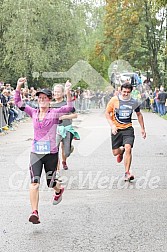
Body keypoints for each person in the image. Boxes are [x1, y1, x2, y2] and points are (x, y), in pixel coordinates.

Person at [14, 77, 74, 224]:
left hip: (51, 154)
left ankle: (59, 190)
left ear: (49, 100)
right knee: (34, 182)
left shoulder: (54, 113)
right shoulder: (33, 112)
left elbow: (70, 107)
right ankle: (34, 212)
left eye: (44, 98)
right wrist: (18, 87)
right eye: (39, 98)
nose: (41, 100)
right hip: (36, 153)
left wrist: (67, 92)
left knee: (51, 182)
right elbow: (18, 103)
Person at [105, 82, 146, 181]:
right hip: (117, 129)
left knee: (128, 148)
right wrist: (112, 125)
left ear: (131, 92)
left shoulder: (133, 102)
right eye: (124, 92)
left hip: (128, 128)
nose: (126, 94)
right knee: (115, 152)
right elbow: (107, 113)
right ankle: (121, 150)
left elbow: (139, 114)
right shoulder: (114, 100)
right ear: (120, 90)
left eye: (128, 92)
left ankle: (127, 172)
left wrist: (142, 129)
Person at [53, 84, 79, 172]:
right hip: (55, 130)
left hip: (66, 129)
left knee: (66, 151)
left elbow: (75, 115)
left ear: (62, 93)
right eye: (55, 91)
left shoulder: (66, 103)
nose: (56, 93)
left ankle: (65, 160)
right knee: (54, 150)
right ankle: (56, 169)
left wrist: (64, 117)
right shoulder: (51, 104)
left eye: (58, 92)